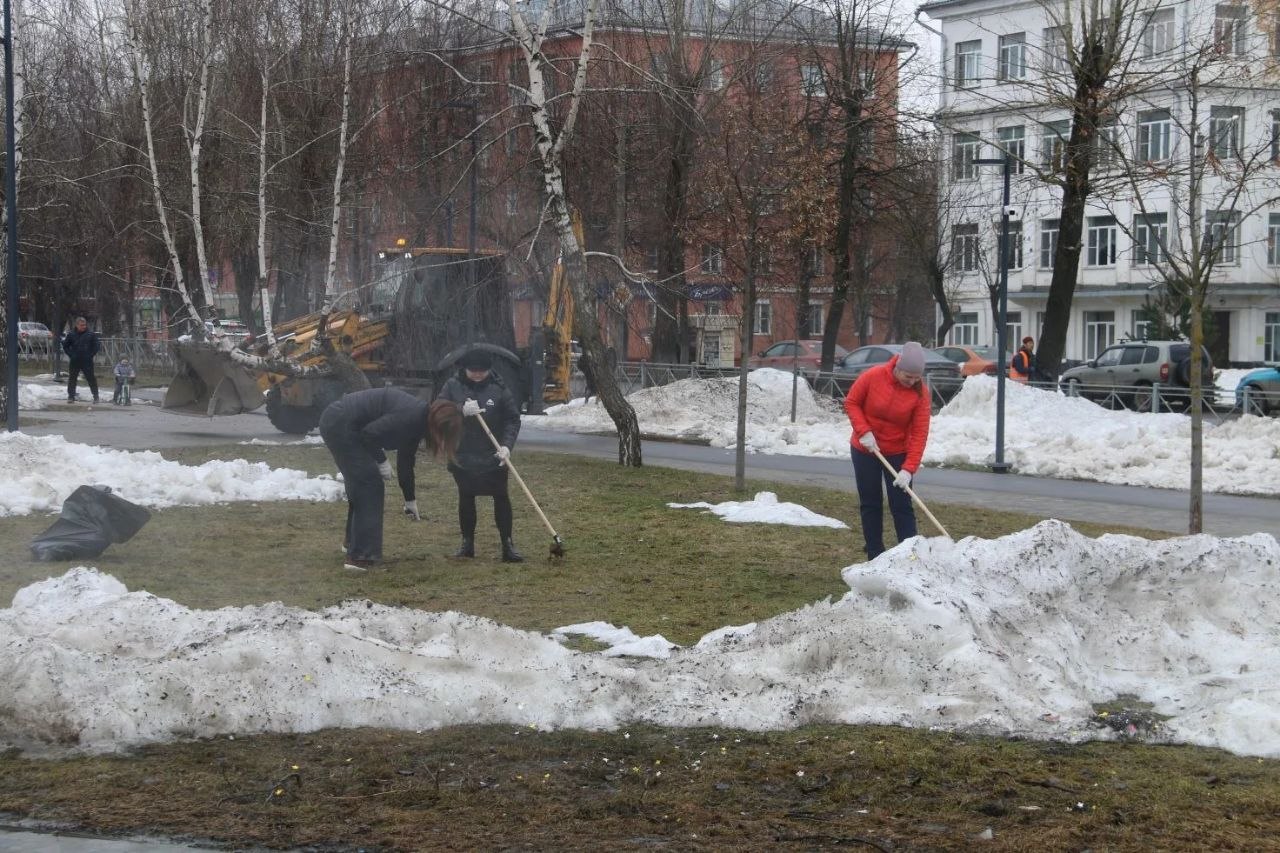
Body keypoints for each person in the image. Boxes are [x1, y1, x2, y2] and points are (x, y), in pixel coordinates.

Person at [318, 386, 431, 571]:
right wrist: (382, 461)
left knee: (361, 483)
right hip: (341, 422)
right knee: (369, 485)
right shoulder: (410, 416)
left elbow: (406, 462)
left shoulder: (419, 419)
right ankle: (361, 558)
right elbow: (369, 434)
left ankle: (352, 544)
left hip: (341, 421)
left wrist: (410, 500)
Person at [844, 341, 932, 559]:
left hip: (897, 452)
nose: (911, 382)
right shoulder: (873, 376)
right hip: (865, 449)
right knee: (870, 502)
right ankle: (875, 553)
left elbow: (920, 433)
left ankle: (911, 555)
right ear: (898, 366)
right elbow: (852, 402)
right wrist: (864, 431)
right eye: (907, 376)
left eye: (916, 378)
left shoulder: (921, 394)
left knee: (901, 504)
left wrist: (908, 469)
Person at [435, 348, 524, 562]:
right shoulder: (453, 385)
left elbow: (512, 419)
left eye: (481, 371)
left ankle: (507, 545)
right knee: (466, 497)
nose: (476, 374)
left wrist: (506, 446)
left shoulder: (499, 388)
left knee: (501, 496)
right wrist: (459, 409)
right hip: (462, 454)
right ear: (464, 369)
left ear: (489, 370)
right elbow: (437, 410)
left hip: (493, 454)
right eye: (472, 371)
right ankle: (467, 544)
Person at [62, 317, 101, 403]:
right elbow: (65, 346)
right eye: (81, 325)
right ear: (77, 325)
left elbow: (97, 345)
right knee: (72, 378)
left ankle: (96, 396)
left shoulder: (91, 334)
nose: (83, 326)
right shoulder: (71, 334)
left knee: (91, 378)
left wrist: (90, 355)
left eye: (84, 325)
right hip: (75, 360)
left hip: (87, 361)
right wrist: (71, 355)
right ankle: (71, 396)